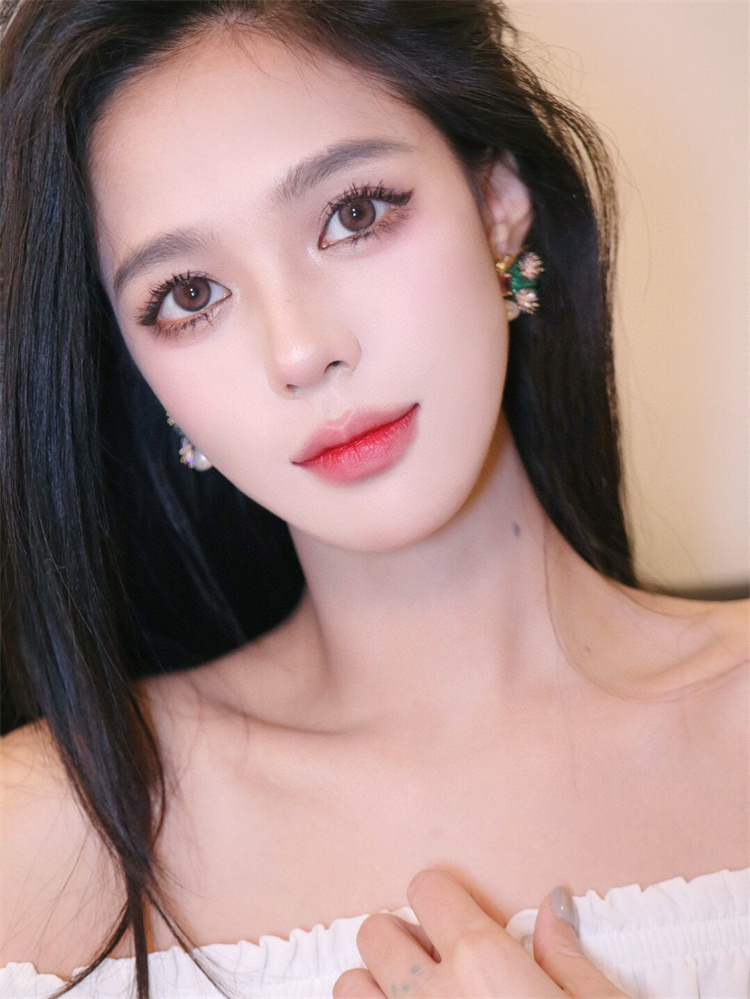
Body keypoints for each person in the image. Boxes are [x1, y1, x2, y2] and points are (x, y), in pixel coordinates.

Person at [0, 1, 747, 997]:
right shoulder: (40, 845)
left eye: (353, 214)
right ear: (143, 374)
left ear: (497, 199)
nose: (302, 349)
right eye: (189, 294)